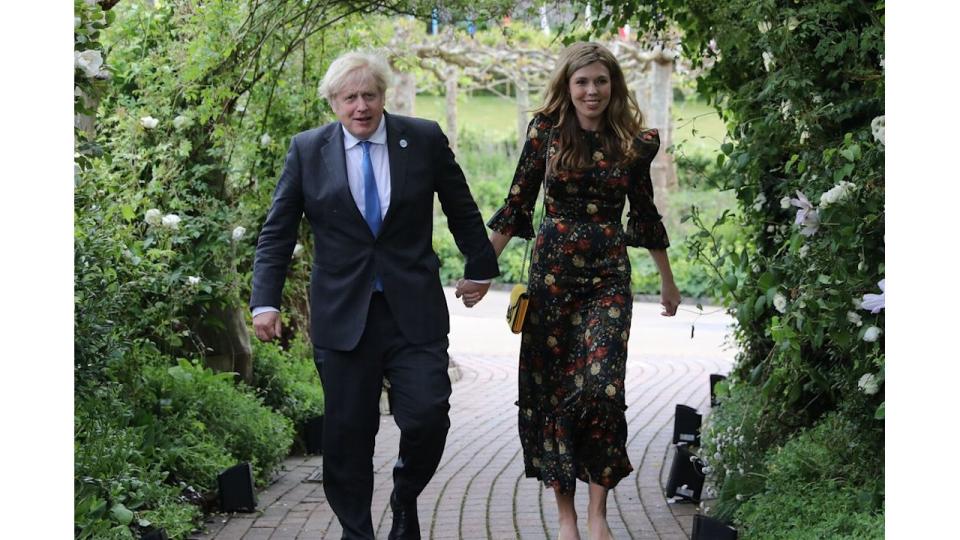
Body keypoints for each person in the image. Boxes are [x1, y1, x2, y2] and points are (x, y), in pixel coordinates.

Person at [250, 51, 499, 540]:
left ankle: (404, 496)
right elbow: (277, 232)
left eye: (370, 95)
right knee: (347, 437)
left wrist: (480, 267)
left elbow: (461, 207)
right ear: (333, 103)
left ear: (384, 96)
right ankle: (357, 532)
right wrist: (265, 301)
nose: (361, 106)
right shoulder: (307, 150)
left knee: (428, 415)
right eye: (350, 98)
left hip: (413, 313)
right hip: (343, 317)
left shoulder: (421, 139)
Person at [480, 42, 682, 540]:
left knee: (602, 389)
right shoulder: (546, 135)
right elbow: (516, 205)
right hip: (552, 281)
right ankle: (568, 518)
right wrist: (481, 270)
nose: (591, 91)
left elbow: (644, 211)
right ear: (567, 88)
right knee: (552, 393)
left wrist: (668, 280)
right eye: (582, 82)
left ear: (613, 86)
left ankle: (599, 515)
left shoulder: (634, 141)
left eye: (600, 81)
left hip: (608, 278)